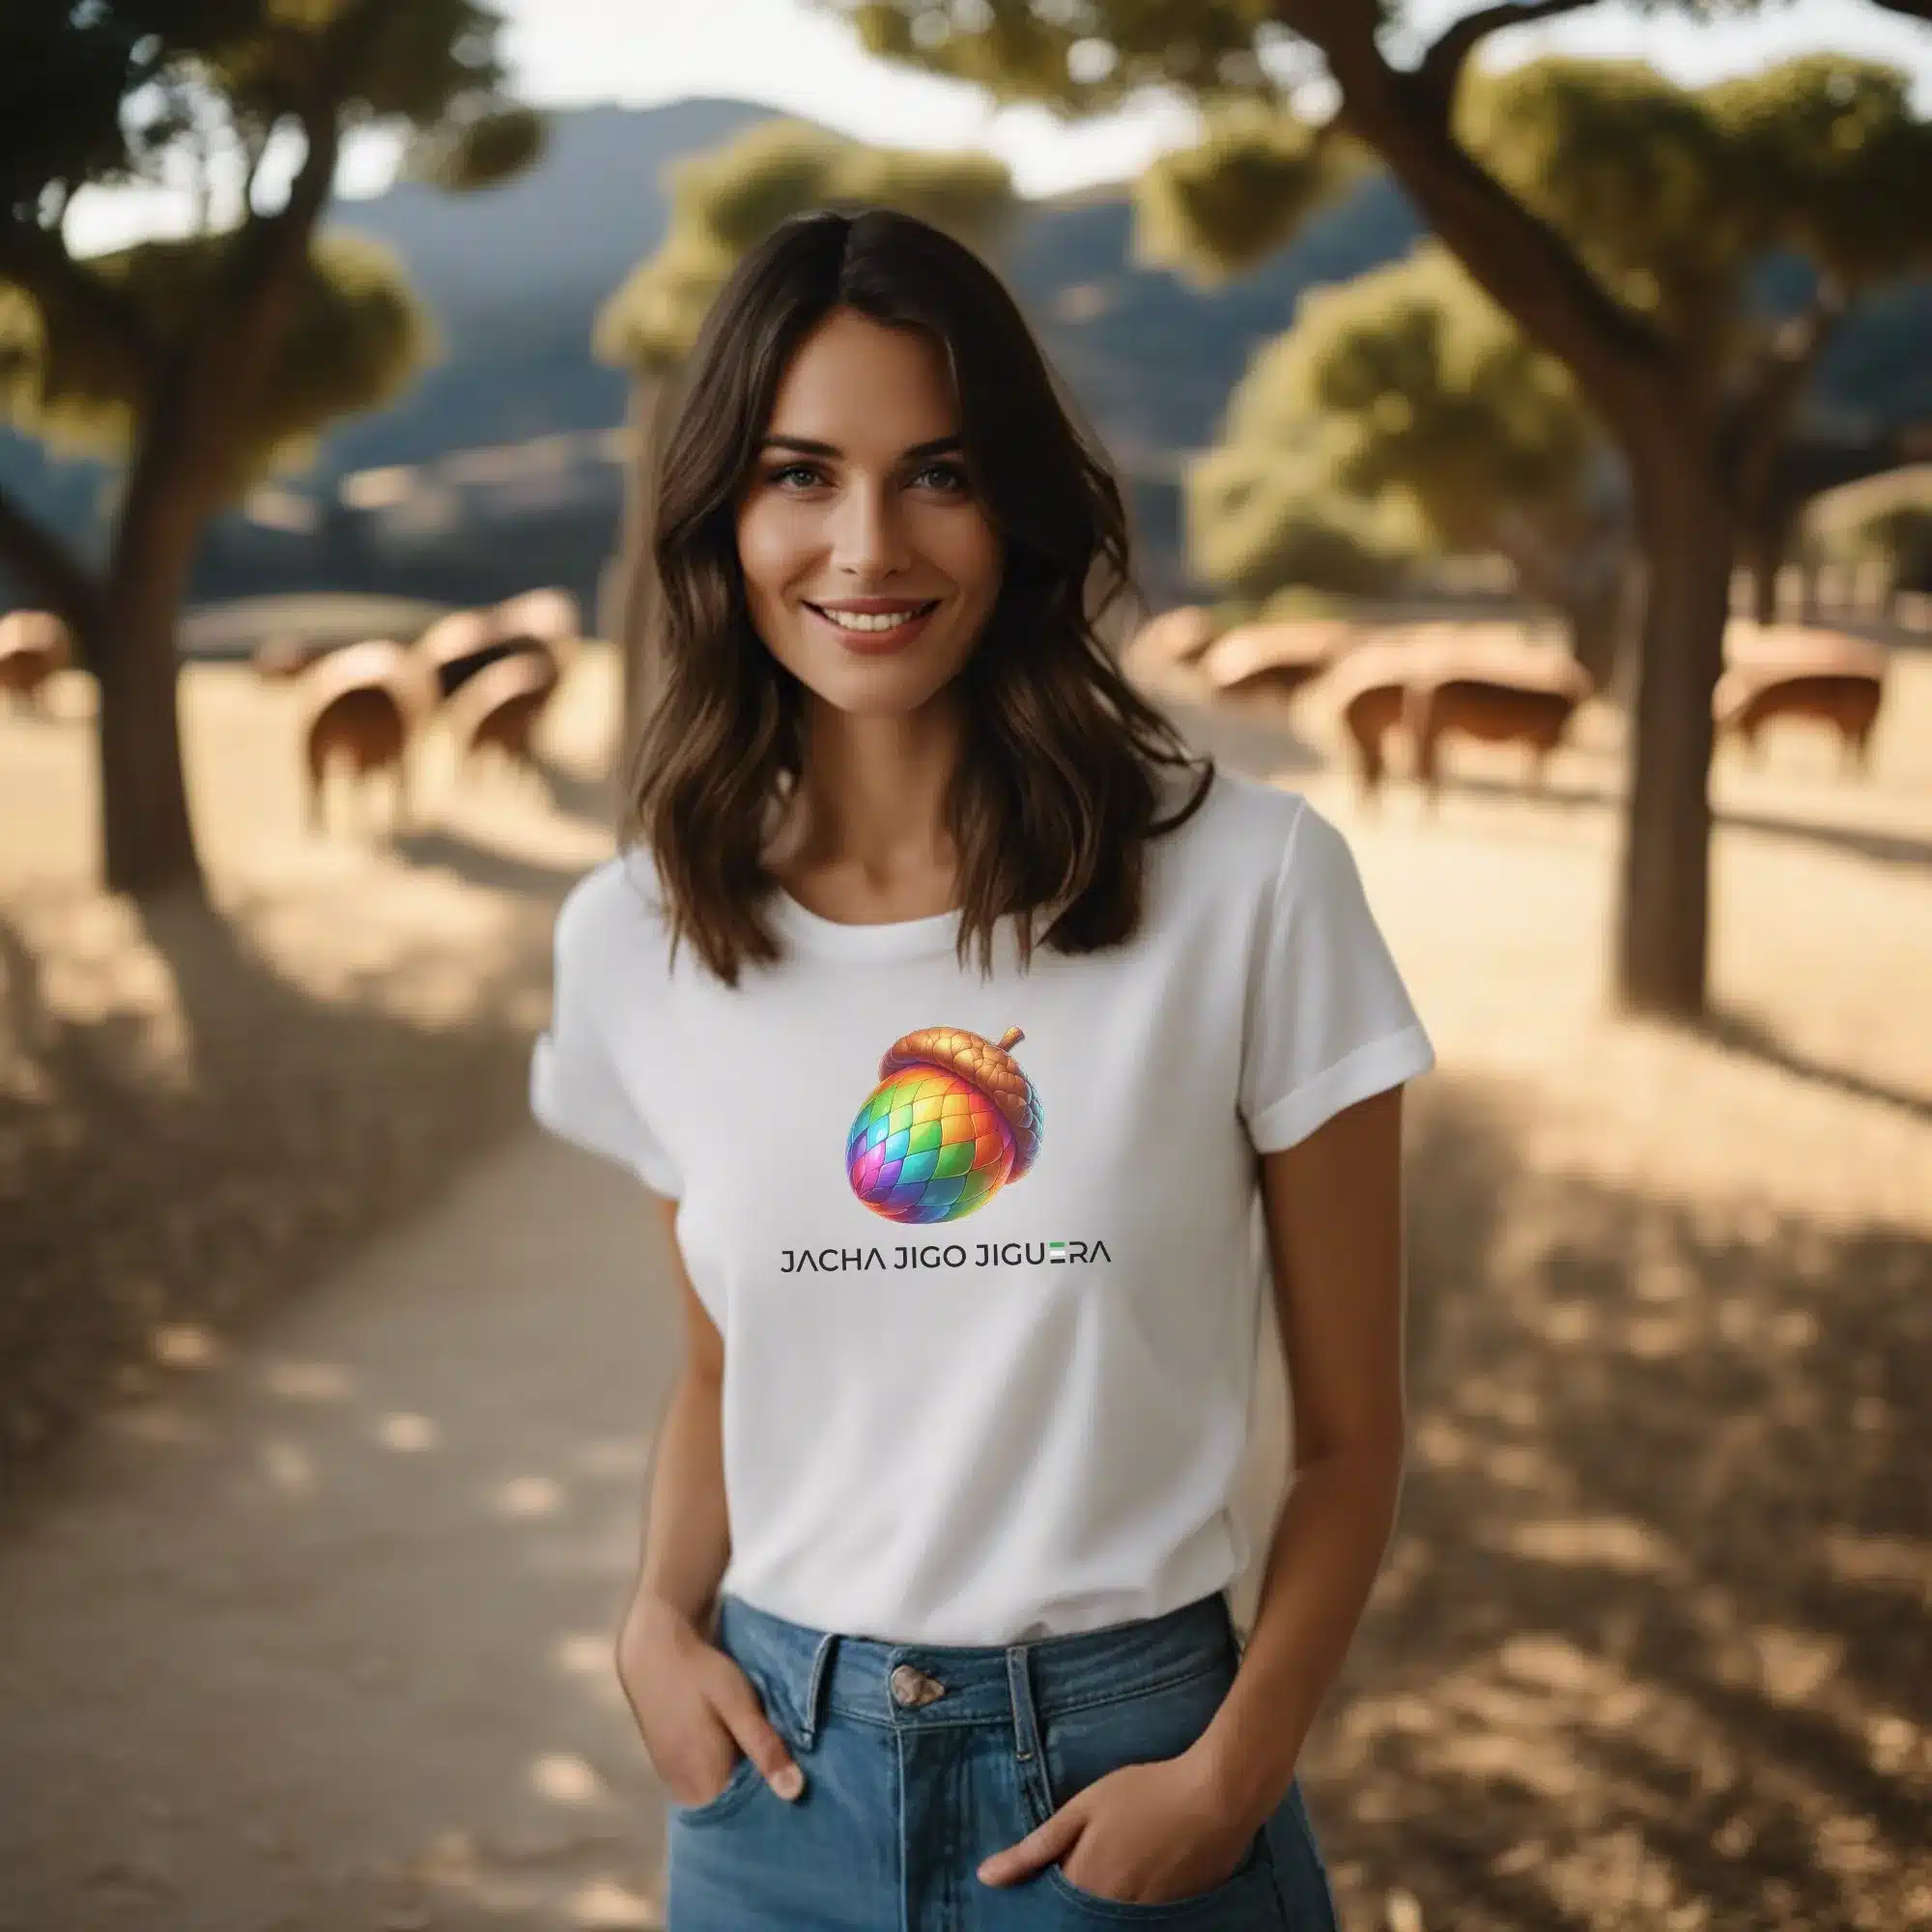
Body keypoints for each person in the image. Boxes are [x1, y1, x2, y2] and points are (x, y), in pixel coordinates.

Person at [531, 204, 1436, 1930]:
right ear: (723, 511)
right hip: (767, 1793)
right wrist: (656, 1619)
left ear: (1016, 503)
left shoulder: (1250, 887)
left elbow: (1350, 1441)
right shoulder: (640, 931)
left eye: (935, 472)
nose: (866, 543)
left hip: (1132, 1788)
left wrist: (1231, 1777)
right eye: (801, 472)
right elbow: (724, 1373)